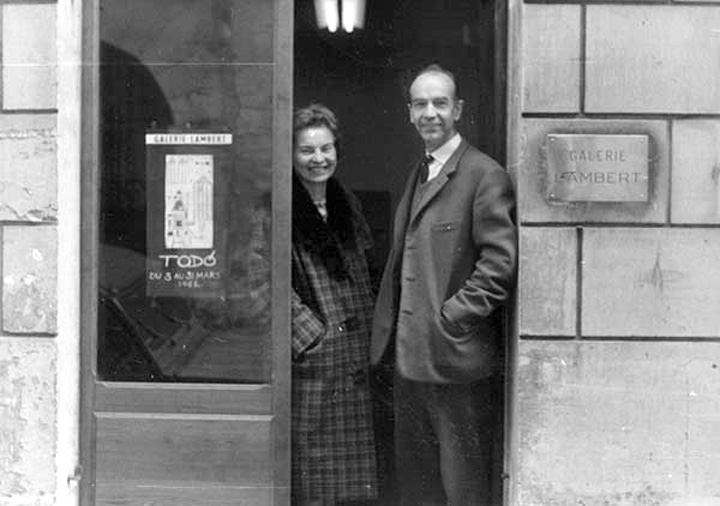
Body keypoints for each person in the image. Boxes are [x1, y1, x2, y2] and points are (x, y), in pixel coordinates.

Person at [371, 64, 517, 506]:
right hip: (408, 360)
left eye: (439, 103)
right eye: (420, 104)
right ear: (408, 113)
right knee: (418, 484)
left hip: (455, 361)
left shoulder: (482, 175)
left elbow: (499, 264)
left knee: (463, 485)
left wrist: (452, 318)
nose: (429, 113)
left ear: (458, 109)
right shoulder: (420, 172)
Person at [248, 103, 378, 505]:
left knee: (354, 487)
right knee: (315, 481)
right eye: (307, 150)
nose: (318, 159)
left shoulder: (348, 204)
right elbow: (257, 281)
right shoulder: (274, 209)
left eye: (326, 149)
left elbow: (367, 272)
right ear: (290, 154)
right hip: (315, 369)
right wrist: (311, 338)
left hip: (356, 364)